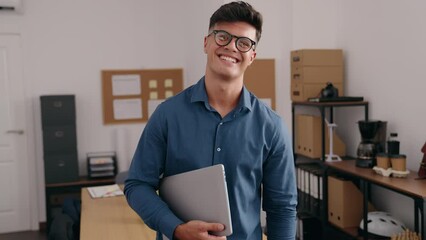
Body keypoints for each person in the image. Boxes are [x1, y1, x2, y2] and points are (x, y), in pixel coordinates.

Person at [124, 1, 297, 240]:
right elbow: (137, 185)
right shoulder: (167, 115)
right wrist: (176, 228)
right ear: (206, 43)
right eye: (222, 36)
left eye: (243, 43)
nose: (232, 47)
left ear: (252, 56)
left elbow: (282, 209)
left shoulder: (272, 127)